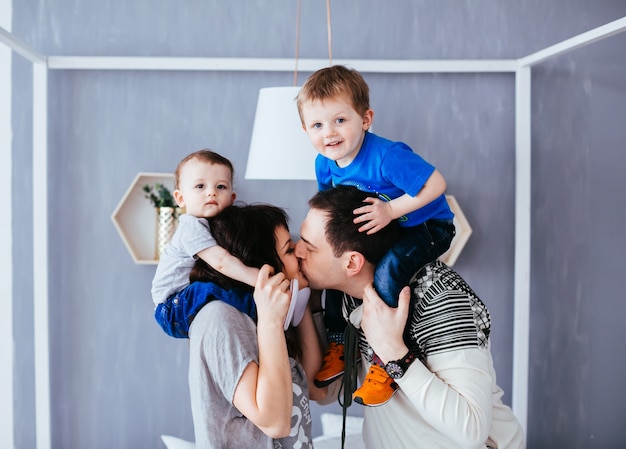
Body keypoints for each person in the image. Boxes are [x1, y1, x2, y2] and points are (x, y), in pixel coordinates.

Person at [295, 186, 525, 449]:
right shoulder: (347, 297)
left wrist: (394, 353)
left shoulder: (440, 297)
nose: (296, 250)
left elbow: (471, 429)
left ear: (352, 264)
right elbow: (324, 392)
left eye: (308, 246)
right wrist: (307, 305)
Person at [296, 64, 456, 404]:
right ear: (305, 130)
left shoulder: (386, 156)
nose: (329, 133)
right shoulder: (323, 163)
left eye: (340, 120)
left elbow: (437, 184)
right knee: (336, 275)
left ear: (365, 119)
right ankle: (341, 346)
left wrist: (391, 210)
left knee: (388, 272)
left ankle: (387, 362)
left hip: (427, 227)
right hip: (389, 229)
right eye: (317, 125)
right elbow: (330, 208)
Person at [188, 203, 324, 448]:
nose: (300, 253)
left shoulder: (266, 314)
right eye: (290, 250)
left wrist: (300, 297)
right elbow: (275, 422)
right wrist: (271, 321)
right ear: (262, 267)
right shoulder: (220, 319)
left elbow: (314, 385)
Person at [151, 149, 269, 338]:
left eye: (220, 187)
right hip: (171, 307)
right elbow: (221, 261)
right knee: (210, 289)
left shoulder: (217, 226)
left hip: (183, 301)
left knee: (216, 288)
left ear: (232, 199)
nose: (211, 193)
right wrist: (258, 279)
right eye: (200, 186)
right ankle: (264, 309)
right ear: (181, 198)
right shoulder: (190, 227)